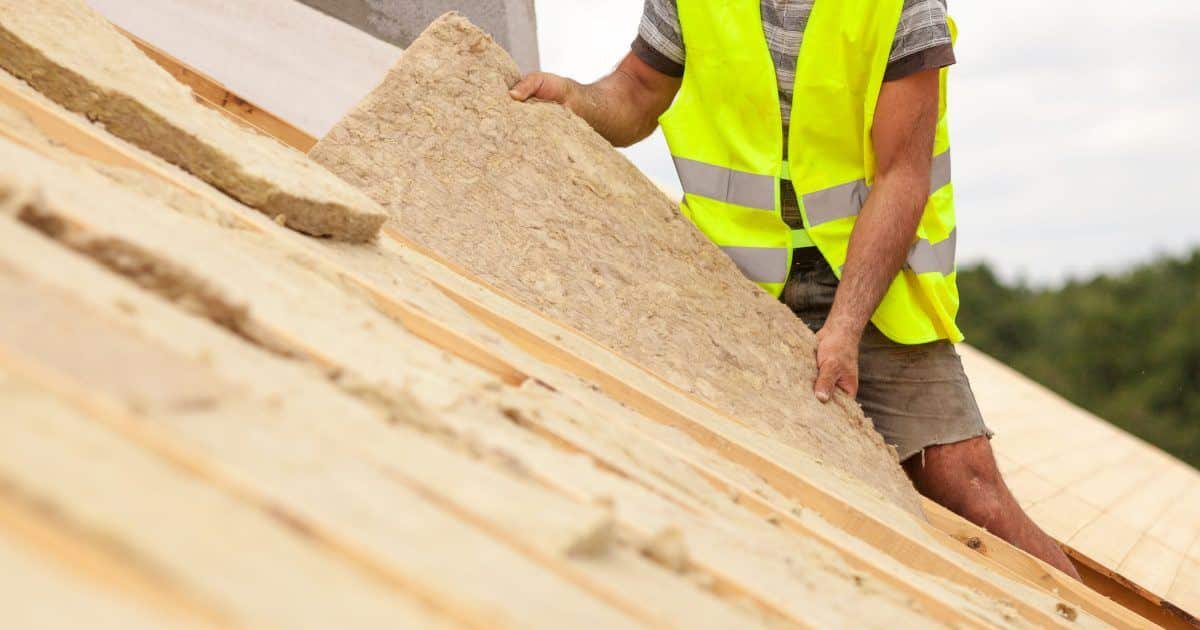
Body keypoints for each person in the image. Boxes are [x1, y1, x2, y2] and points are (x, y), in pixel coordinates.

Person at [508, 0, 1082, 579]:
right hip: (730, 289)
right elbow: (636, 91)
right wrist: (576, 99)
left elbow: (902, 175)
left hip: (869, 289)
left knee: (970, 490)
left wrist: (846, 325)